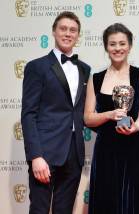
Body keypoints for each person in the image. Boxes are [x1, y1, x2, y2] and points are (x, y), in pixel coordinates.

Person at [21, 11, 91, 214]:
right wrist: (35, 156)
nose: (68, 34)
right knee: (40, 209)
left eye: (73, 30)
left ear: (78, 35)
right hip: (45, 152)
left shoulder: (85, 69)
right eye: (63, 28)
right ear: (54, 31)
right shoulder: (37, 67)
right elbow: (29, 114)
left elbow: (83, 111)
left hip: (74, 153)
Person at [84, 23, 139, 214]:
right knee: (106, 200)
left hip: (134, 147)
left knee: (135, 201)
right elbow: (88, 118)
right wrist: (109, 114)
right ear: (106, 47)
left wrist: (136, 127)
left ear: (130, 46)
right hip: (106, 149)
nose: (118, 48)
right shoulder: (95, 79)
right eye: (112, 44)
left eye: (122, 43)